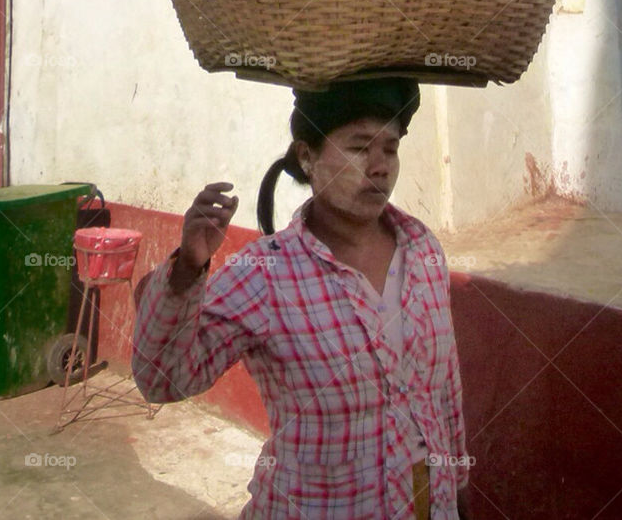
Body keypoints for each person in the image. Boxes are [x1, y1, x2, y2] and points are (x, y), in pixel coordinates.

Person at [132, 77, 472, 519]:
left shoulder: (422, 249)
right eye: (358, 147)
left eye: (390, 149)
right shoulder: (266, 274)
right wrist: (185, 270)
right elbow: (163, 380)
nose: (379, 166)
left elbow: (445, 391)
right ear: (307, 157)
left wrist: (459, 495)